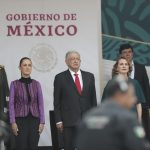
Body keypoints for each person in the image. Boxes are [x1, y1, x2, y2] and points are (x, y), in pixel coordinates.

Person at [76, 75, 150, 150]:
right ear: (119, 95)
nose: (134, 100)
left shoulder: (88, 117)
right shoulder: (127, 119)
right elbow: (139, 146)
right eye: (131, 95)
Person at [53, 51, 97, 150]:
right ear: (66, 62)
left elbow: (93, 99)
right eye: (72, 59)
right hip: (68, 121)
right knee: (69, 147)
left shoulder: (89, 76)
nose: (75, 61)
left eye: (77, 59)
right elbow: (57, 101)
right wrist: (58, 120)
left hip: (86, 121)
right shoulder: (60, 78)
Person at [9, 57, 45, 150]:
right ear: (20, 68)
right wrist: (13, 122)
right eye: (24, 65)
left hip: (35, 121)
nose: (27, 67)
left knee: (33, 147)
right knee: (21, 147)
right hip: (20, 121)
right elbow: (11, 104)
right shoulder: (14, 84)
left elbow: (40, 104)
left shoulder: (37, 84)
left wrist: (42, 122)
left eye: (29, 65)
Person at [119, 43, 150, 140]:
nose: (128, 54)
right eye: (125, 52)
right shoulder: (117, 69)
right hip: (125, 108)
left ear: (132, 53)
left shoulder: (141, 67)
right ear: (120, 55)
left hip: (142, 106)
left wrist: (147, 105)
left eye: (129, 52)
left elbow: (146, 86)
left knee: (143, 133)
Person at [102, 56, 145, 122]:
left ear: (129, 67)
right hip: (116, 120)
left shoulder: (135, 83)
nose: (124, 66)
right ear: (117, 68)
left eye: (126, 64)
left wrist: (139, 120)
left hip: (132, 119)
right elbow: (105, 104)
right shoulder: (111, 83)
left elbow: (138, 104)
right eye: (121, 64)